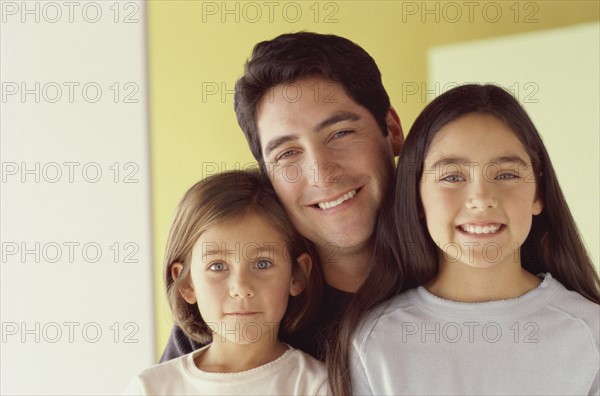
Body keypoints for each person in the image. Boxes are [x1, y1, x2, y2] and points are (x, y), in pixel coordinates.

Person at [160, 31, 409, 363]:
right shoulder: (236, 310)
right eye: (287, 153)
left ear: (392, 130)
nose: (321, 172)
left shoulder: (460, 271)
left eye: (341, 133)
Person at [340, 84, 600, 395]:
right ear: (416, 197)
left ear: (539, 193)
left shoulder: (590, 333)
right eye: (452, 177)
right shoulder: (376, 339)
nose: (481, 199)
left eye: (506, 175)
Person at [124, 170, 329, 395]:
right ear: (187, 284)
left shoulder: (316, 385)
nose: (241, 288)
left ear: (296, 276)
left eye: (262, 264)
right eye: (218, 267)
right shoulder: (151, 387)